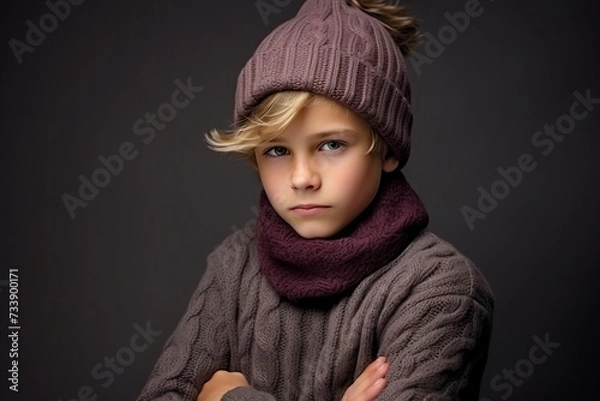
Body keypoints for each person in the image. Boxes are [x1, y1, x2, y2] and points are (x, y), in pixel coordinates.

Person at [136, 0, 495, 400]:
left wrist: (230, 398)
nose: (302, 178)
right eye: (276, 150)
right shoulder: (235, 263)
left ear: (389, 149)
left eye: (331, 144)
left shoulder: (441, 290)